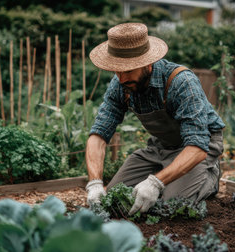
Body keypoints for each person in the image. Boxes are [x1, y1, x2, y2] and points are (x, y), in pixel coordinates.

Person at [85, 23, 225, 215]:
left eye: (127, 70)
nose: (121, 77)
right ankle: (168, 172)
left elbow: (197, 146)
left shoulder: (181, 82)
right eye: (116, 70)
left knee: (171, 205)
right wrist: (94, 183)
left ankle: (209, 177)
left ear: (147, 63)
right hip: (160, 147)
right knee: (114, 198)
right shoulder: (120, 84)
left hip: (199, 148)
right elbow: (98, 135)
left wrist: (155, 182)